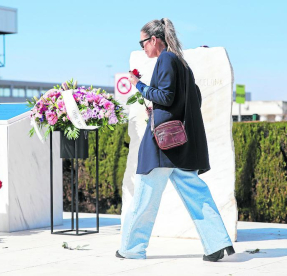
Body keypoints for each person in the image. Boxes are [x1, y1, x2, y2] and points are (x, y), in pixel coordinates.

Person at [116, 18, 235, 262]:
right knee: (197, 195)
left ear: (154, 39)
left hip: (163, 147)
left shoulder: (166, 59)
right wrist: (160, 110)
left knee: (144, 200)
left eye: (143, 43)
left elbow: (165, 96)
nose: (142, 48)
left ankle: (131, 249)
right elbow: (190, 99)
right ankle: (217, 244)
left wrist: (139, 85)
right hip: (181, 145)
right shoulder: (182, 63)